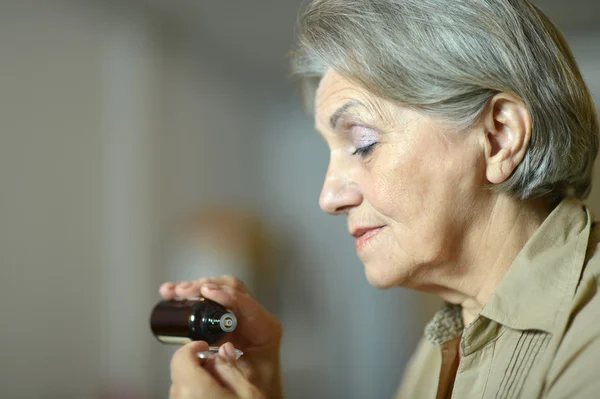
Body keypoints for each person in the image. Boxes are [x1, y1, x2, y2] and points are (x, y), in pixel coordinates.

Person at [160, 0, 600, 398]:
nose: (328, 197)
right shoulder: (444, 344)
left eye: (364, 143)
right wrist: (267, 389)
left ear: (499, 137)